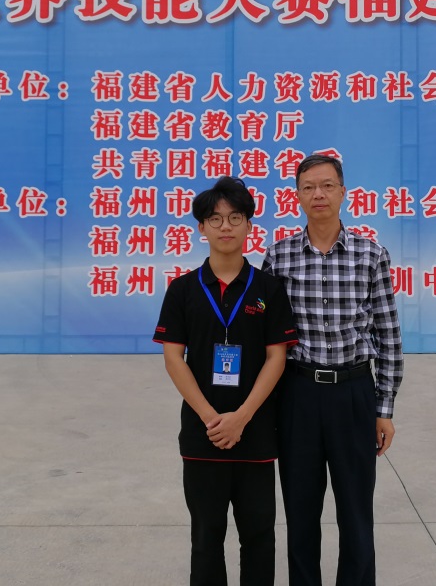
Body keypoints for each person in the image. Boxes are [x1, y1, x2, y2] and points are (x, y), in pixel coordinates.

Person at [262, 153, 404, 586]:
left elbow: (388, 334)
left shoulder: (370, 254)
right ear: (297, 196)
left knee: (356, 512)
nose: (318, 194)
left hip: (353, 392)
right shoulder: (279, 256)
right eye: (308, 187)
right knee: (300, 511)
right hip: (299, 394)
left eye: (326, 185)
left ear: (343, 192)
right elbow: (267, 336)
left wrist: (384, 408)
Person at [154, 175, 298, 586]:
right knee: (206, 537)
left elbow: (277, 357)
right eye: (215, 219)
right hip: (203, 435)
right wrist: (212, 419)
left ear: (249, 224)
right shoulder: (182, 289)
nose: (226, 227)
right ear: (201, 227)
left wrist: (241, 418)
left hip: (256, 432)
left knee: (259, 536)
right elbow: (173, 358)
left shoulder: (269, 288)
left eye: (235, 217)